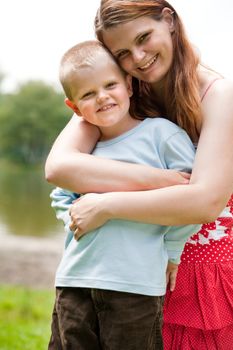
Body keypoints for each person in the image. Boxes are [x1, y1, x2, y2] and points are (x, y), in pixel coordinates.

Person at [45, 1, 233, 349]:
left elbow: (205, 201)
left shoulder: (218, 95)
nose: (139, 57)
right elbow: (60, 168)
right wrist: (158, 180)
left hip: (192, 274)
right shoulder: (115, 92)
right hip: (127, 266)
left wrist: (107, 206)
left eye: (144, 37)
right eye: (123, 53)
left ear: (170, 20)